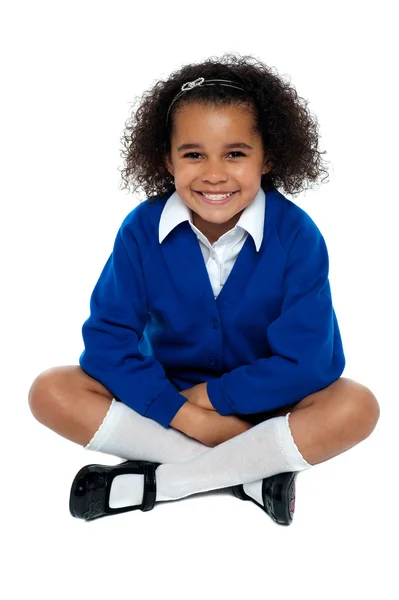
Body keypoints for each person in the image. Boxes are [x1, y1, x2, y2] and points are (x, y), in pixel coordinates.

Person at [28, 53, 380, 526]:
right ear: (167, 159)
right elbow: (107, 344)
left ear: (267, 157)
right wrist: (186, 415)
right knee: (51, 390)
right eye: (194, 154)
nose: (214, 174)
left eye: (235, 154)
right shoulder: (141, 230)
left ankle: (164, 484)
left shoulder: (296, 235)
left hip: (266, 403)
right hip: (166, 400)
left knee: (356, 406)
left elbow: (311, 361)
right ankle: (252, 475)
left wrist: (211, 400)